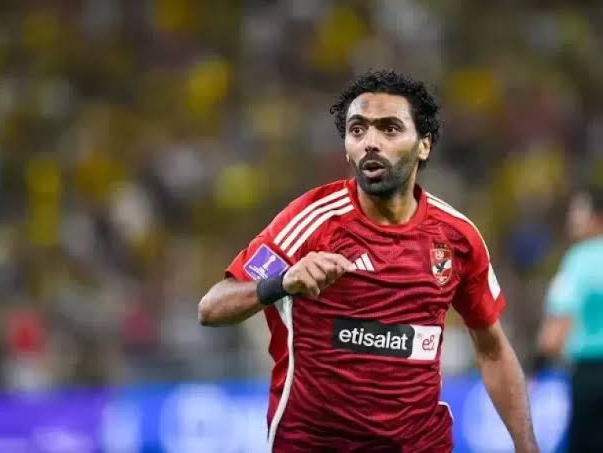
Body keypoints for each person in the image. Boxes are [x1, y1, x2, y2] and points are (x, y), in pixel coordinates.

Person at [199, 70, 537, 452]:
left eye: (389, 129)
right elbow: (211, 307)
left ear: (424, 145)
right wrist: (282, 282)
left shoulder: (457, 237)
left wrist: (528, 447)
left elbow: (493, 349)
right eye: (357, 130)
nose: (370, 143)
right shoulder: (312, 222)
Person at [537, 184, 603, 451]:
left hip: (590, 376)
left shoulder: (579, 259)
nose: (573, 218)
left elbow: (554, 335)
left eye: (580, 211)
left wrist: (538, 363)